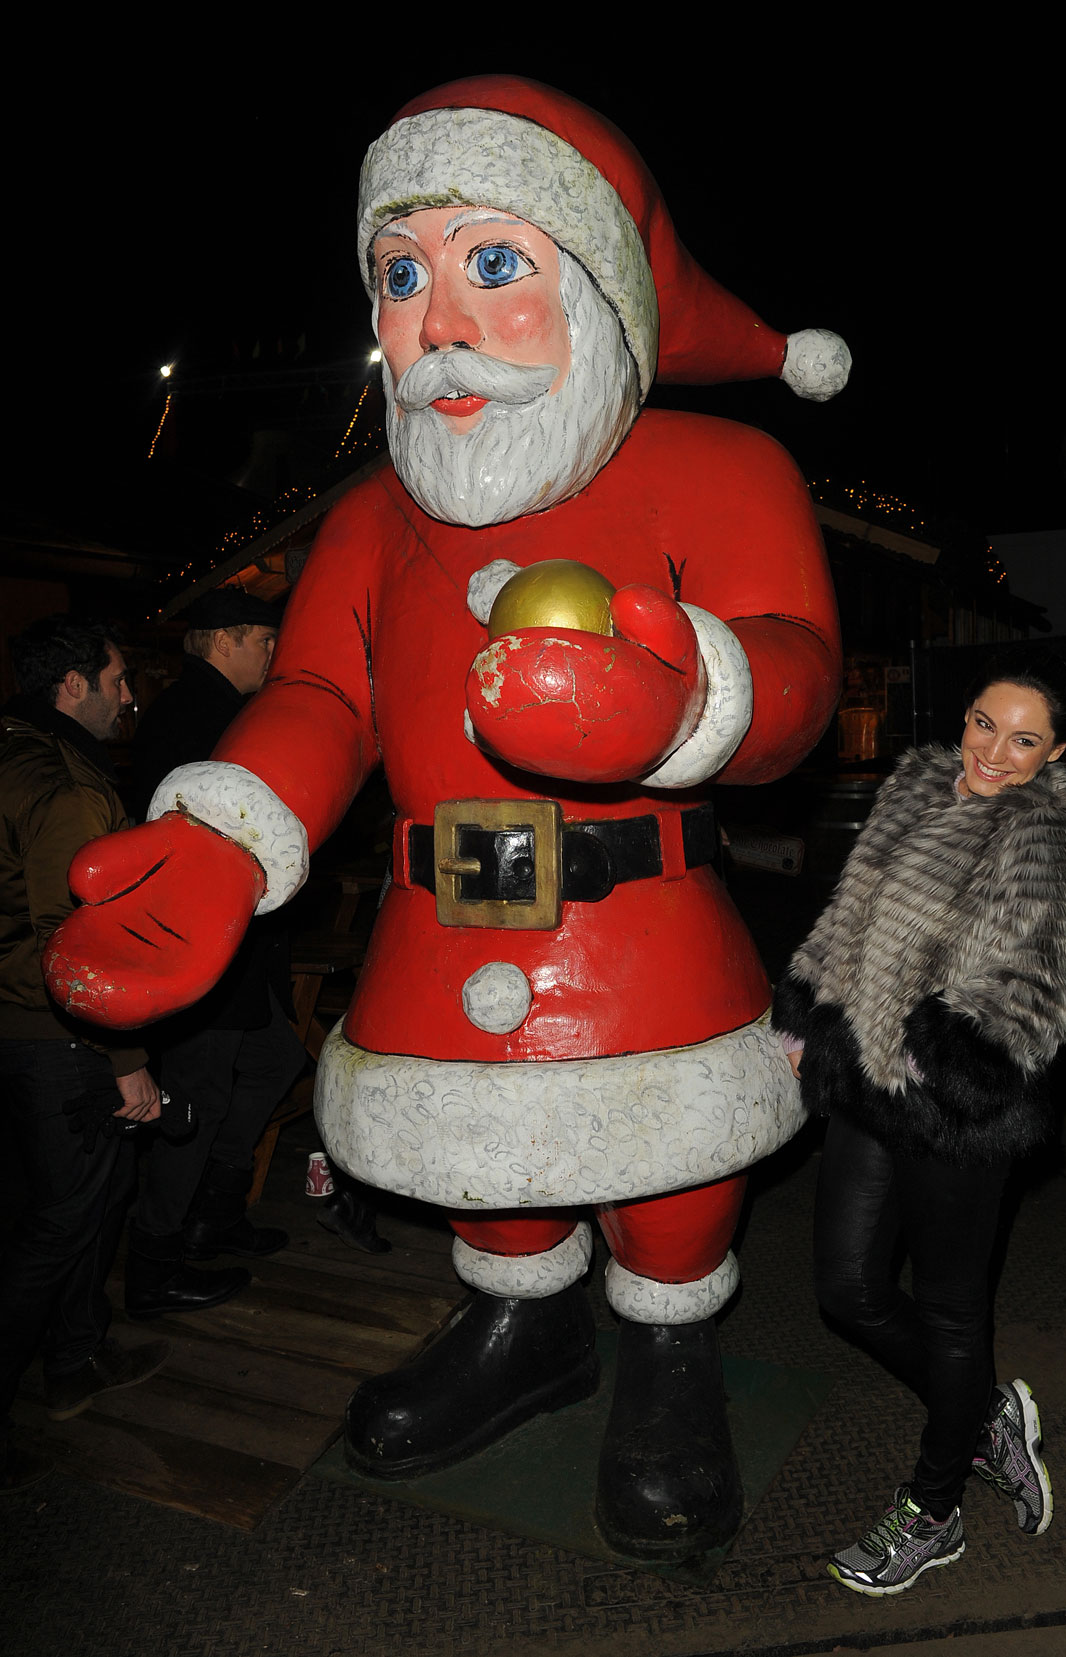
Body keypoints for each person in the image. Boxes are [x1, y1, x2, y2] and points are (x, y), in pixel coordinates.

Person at [44, 76, 849, 1561]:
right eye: (402, 274)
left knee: (672, 1174)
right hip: (439, 923)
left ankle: (667, 1362)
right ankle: (520, 1335)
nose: (439, 320)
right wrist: (226, 830)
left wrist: (685, 698)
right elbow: (322, 701)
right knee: (493, 1178)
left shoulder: (726, 469)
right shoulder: (366, 521)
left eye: (493, 264)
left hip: (641, 929)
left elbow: (797, 668)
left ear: (599, 288)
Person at [772, 648, 1066, 1595]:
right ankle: (985, 1420)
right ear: (961, 719)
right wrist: (807, 1005)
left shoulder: (1052, 832)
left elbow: (1041, 991)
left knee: (955, 1311)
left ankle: (934, 1509)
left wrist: (947, 1051)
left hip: (959, 1106)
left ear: (1054, 754)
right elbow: (851, 913)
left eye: (1024, 739)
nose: (994, 752)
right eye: (983, 724)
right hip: (868, 1077)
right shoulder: (917, 782)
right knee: (846, 1287)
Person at [0, 617, 169, 1493]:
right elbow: (76, 945)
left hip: (17, 1026)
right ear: (72, 684)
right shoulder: (66, 781)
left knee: (72, 1201)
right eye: (115, 679)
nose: (128, 695)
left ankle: (74, 1360)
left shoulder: (12, 748)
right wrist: (122, 1055)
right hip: (51, 1033)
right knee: (60, 1217)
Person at [123, 590, 304, 1319]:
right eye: (263, 638)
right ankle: (155, 1263)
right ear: (223, 639)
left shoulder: (213, 710)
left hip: (231, 947)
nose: (271, 651)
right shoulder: (201, 716)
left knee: (275, 1060)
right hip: (200, 946)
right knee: (195, 1098)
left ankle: (215, 1213)